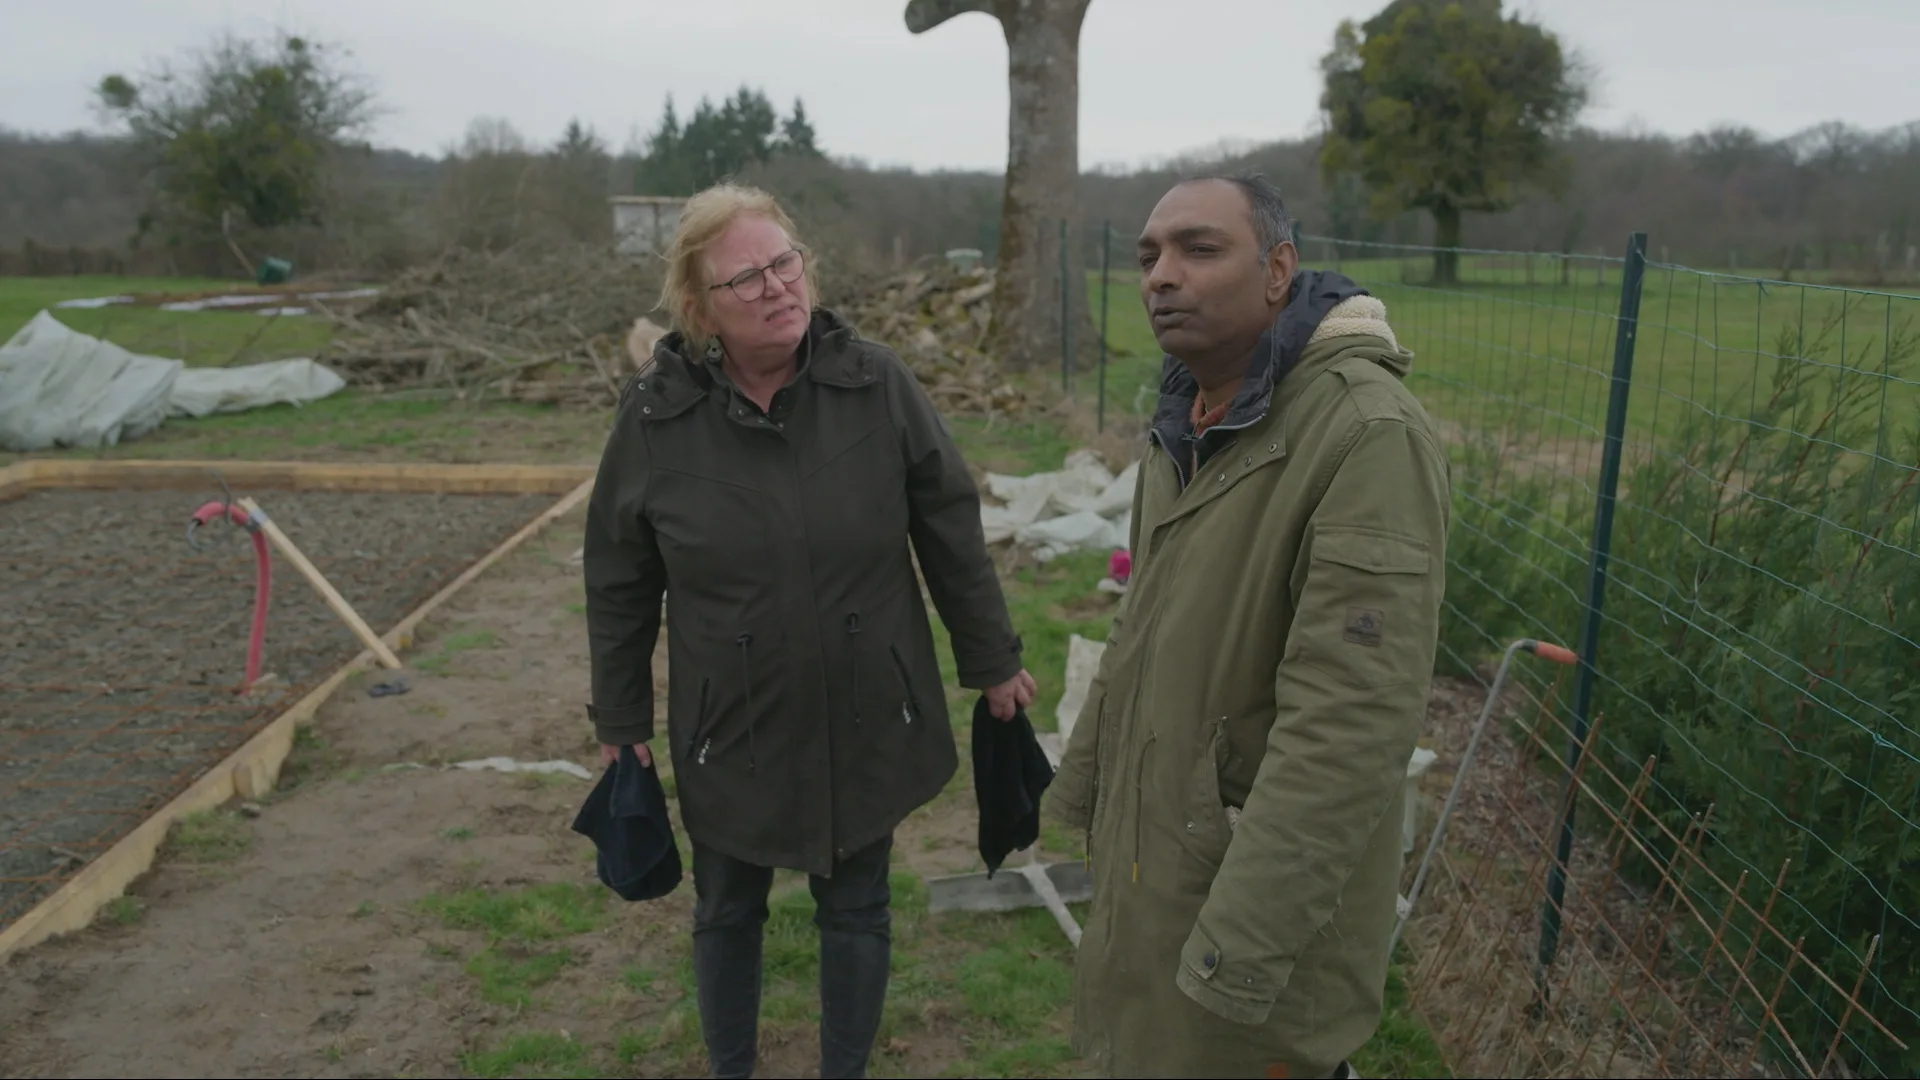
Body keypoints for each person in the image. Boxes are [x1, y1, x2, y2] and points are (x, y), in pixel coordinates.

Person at [582, 182, 1038, 1079]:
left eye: (785, 263)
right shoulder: (654, 418)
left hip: (867, 701)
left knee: (859, 904)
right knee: (725, 907)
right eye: (746, 277)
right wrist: (621, 722)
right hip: (731, 714)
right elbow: (619, 578)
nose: (776, 287)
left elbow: (949, 527)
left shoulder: (877, 386)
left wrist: (993, 661)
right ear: (699, 307)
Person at [1046, 174, 1450, 1079]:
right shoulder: (1187, 421)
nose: (1160, 276)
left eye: (1198, 249)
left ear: (1278, 270)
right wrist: (1085, 793)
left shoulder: (1363, 434)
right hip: (1158, 880)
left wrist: (1240, 950)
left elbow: (1347, 733)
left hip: (1253, 935)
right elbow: (1141, 632)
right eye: (1148, 256)